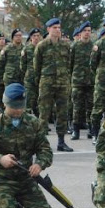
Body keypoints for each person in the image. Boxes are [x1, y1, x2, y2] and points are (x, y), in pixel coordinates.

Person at [34, 18, 73, 152]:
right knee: (44, 113)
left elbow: (70, 64)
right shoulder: (42, 46)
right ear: (48, 29)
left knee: (63, 113)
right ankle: (40, 144)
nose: (58, 30)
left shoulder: (66, 46)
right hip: (47, 84)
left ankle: (61, 142)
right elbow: (36, 67)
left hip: (62, 84)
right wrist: (40, 81)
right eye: (55, 27)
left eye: (59, 27)